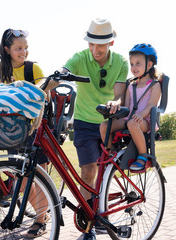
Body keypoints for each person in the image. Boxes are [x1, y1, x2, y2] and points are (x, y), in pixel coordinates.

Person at [0, 28, 56, 238]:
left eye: (25, 48)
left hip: (38, 126)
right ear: (7, 49)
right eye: (18, 48)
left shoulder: (33, 68)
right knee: (23, 177)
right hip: (17, 127)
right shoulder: (2, 69)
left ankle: (41, 220)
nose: (23, 52)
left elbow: (45, 96)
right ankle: (42, 214)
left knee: (34, 175)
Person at [59, 18, 128, 239]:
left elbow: (118, 93)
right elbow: (65, 68)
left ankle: (103, 213)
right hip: (84, 123)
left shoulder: (120, 62)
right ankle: (89, 226)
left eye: (100, 45)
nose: (95, 49)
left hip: (108, 123)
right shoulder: (81, 58)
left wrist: (116, 102)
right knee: (88, 173)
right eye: (91, 44)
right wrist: (56, 75)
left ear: (111, 44)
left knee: (105, 174)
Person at [100, 43, 162, 171]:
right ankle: (111, 152)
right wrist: (113, 112)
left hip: (145, 121)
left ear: (149, 64)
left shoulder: (154, 85)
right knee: (104, 126)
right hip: (129, 119)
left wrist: (141, 115)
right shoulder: (131, 85)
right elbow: (127, 107)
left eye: (138, 63)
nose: (134, 67)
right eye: (132, 64)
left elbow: (151, 105)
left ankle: (143, 155)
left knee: (133, 124)